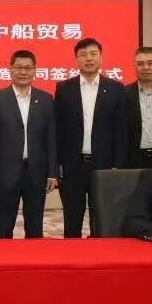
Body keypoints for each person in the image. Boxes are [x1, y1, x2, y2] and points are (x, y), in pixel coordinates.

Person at [0, 50, 58, 239]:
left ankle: (34, 258)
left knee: (35, 228)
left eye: (28, 68)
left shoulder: (46, 100)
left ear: (35, 70)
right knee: (3, 228)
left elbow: (51, 139)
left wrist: (53, 172)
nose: (23, 72)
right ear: (11, 69)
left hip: (36, 173)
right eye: (19, 67)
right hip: (5, 174)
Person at [54, 37, 127, 238]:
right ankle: (71, 255)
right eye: (83, 54)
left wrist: (118, 165)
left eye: (93, 54)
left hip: (104, 165)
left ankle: (99, 256)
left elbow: (121, 130)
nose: (88, 59)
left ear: (101, 57)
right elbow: (58, 129)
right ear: (76, 59)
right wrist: (57, 163)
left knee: (101, 219)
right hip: (72, 165)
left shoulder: (115, 88)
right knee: (72, 220)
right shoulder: (64, 88)